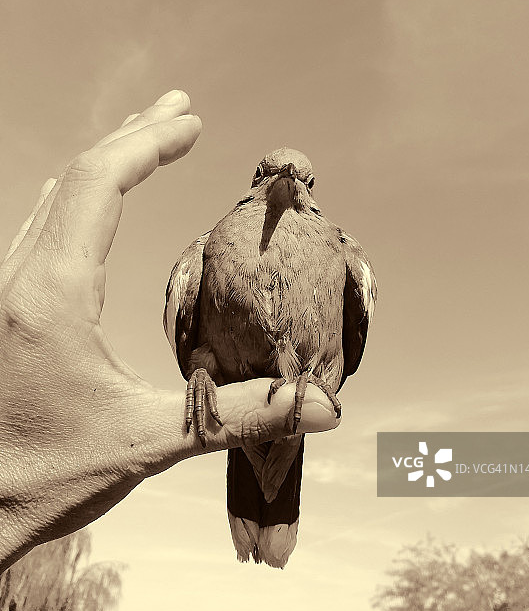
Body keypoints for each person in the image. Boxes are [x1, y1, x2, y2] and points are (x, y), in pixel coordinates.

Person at [0, 90, 338, 574]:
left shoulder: (343, 257)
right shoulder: (205, 254)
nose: (287, 181)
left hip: (305, 385)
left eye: (303, 180)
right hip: (220, 380)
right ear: (254, 182)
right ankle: (260, 523)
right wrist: (201, 374)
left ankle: (268, 522)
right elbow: (189, 343)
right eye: (268, 173)